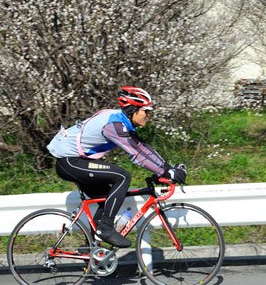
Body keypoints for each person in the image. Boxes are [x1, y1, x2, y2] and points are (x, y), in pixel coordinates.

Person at [47, 86, 187, 248]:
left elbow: (142, 147)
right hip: (70, 162)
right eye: (146, 111)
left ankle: (92, 251)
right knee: (122, 176)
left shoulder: (121, 121)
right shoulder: (114, 125)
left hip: (75, 161)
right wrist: (164, 172)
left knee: (107, 199)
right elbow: (137, 155)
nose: (148, 115)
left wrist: (167, 168)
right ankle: (105, 228)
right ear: (133, 110)